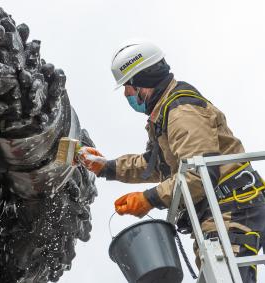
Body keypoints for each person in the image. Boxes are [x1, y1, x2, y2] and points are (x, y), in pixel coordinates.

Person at [77, 41, 265, 283]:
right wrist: (106, 167)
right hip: (217, 214)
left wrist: (149, 199)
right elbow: (156, 165)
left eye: (128, 87)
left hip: (232, 208)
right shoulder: (164, 114)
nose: (126, 95)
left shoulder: (181, 111)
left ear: (143, 80)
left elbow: (200, 174)